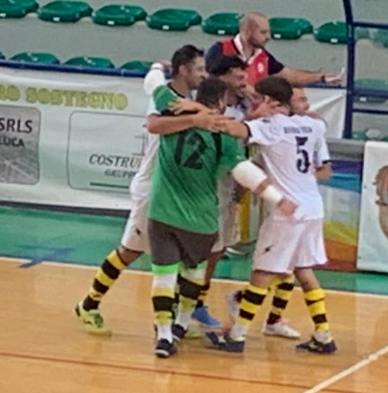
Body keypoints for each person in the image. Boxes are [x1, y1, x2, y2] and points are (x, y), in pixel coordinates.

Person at [74, 45, 220, 335]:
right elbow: (155, 126)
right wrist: (194, 119)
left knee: (179, 257)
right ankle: (88, 304)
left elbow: (151, 78)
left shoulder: (186, 98)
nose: (204, 75)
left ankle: (170, 319)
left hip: (175, 188)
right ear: (184, 70)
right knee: (130, 251)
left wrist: (157, 66)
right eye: (200, 69)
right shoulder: (165, 98)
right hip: (153, 187)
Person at [147, 77, 297, 358]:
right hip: (201, 218)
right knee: (193, 276)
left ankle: (164, 335)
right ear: (219, 102)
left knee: (163, 276)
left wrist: (159, 68)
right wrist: (277, 198)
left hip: (162, 210)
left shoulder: (173, 107)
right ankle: (181, 323)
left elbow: (153, 85)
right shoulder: (223, 135)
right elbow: (243, 172)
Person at [206, 76, 337, 355]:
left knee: (263, 272)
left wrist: (201, 115)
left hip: (287, 211)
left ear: (269, 101)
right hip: (313, 207)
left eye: (257, 99)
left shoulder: (270, 126)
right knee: (304, 270)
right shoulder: (313, 125)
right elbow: (316, 137)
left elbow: (231, 128)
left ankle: (237, 336)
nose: (254, 103)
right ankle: (324, 335)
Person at [205, 12, 342, 87]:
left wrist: (321, 77)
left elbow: (288, 75)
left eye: (268, 32)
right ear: (247, 32)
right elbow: (208, 81)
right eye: (263, 32)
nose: (268, 37)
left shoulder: (263, 56)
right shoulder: (219, 50)